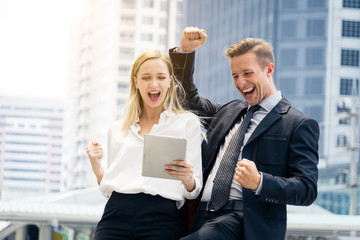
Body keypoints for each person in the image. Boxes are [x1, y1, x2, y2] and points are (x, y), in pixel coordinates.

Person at [168, 27, 320, 240]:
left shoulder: (298, 124)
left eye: (248, 73)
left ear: (269, 69)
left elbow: (306, 189)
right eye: (235, 76)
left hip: (242, 220)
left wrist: (260, 182)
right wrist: (185, 51)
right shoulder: (227, 112)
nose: (241, 83)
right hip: (198, 215)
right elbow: (186, 101)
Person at [86, 50, 203, 240]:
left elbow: (194, 189)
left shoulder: (187, 123)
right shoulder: (118, 128)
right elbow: (110, 185)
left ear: (170, 81)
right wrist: (97, 167)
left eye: (161, 77)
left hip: (161, 218)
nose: (154, 84)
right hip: (115, 215)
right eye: (146, 77)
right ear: (136, 81)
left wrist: (188, 179)